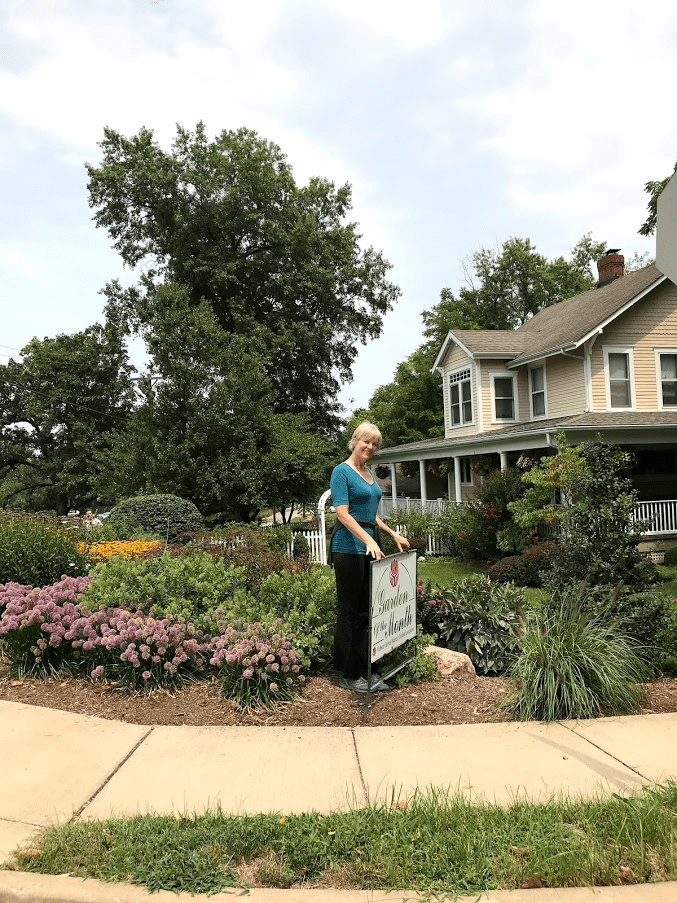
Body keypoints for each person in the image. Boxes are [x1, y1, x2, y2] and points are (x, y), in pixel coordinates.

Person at [330, 421, 410, 693]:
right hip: (348, 547)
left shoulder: (369, 473)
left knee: (367, 612)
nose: (371, 447)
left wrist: (391, 534)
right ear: (355, 440)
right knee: (350, 612)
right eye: (367, 442)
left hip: (368, 546)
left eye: (375, 444)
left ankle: (366, 670)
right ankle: (348, 673)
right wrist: (367, 539)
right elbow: (343, 513)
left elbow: (370, 515)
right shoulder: (341, 472)